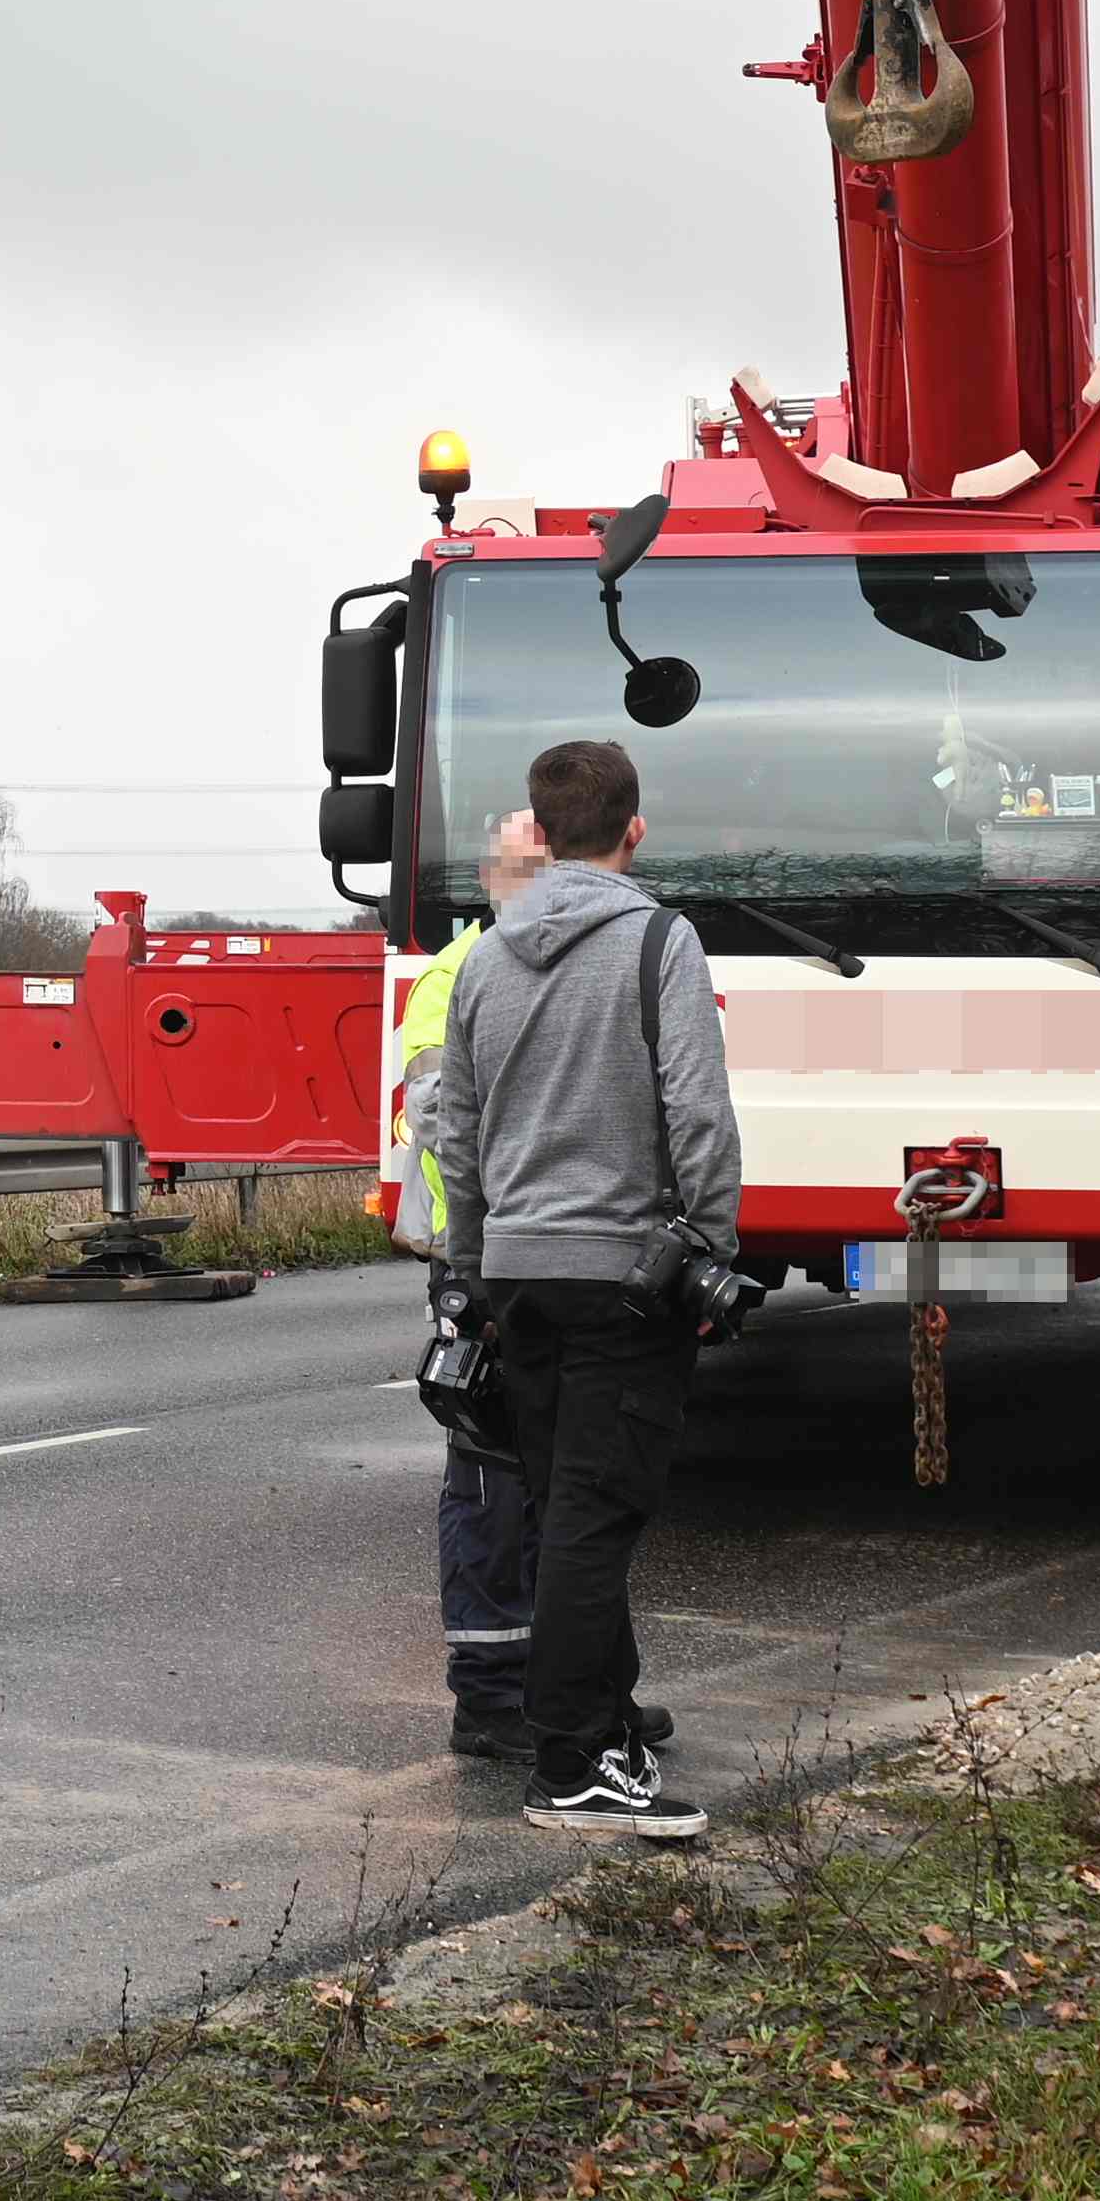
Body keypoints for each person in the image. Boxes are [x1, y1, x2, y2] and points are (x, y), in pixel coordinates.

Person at [438, 733, 739, 1846]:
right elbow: (697, 1111)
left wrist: (474, 1265)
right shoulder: (659, 939)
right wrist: (708, 1242)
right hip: (622, 1270)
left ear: (538, 829)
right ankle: (570, 1765)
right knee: (593, 1520)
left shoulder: (482, 958)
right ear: (633, 829)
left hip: (519, 1269)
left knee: (567, 1497)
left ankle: (605, 1719)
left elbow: (454, 1131)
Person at [383, 807, 556, 1761]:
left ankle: (563, 1682)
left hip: (533, 1253)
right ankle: (490, 1696)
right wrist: (480, 1262)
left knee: (557, 1479)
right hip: (484, 1262)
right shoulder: (456, 977)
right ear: (495, 885)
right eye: (525, 871)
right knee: (492, 1480)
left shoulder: (553, 963)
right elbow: (447, 1120)